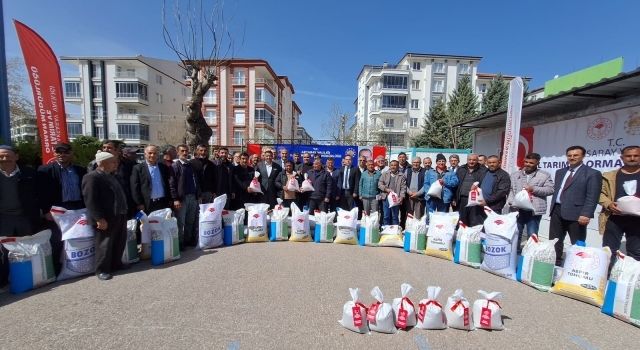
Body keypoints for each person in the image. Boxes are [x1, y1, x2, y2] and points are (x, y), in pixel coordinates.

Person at [37, 142, 87, 275]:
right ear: (54, 153)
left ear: (71, 154)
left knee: (77, 237)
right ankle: (56, 269)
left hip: (78, 208)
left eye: (65, 152)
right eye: (58, 152)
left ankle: (76, 266)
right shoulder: (45, 170)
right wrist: (46, 211)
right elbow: (40, 193)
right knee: (57, 239)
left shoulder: (80, 170)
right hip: (57, 210)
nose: (62, 155)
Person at [549, 145, 602, 266]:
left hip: (577, 213)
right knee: (555, 241)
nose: (572, 158)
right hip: (557, 210)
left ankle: (577, 266)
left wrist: (586, 214)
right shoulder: (560, 172)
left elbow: (592, 196)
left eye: (575, 155)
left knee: (577, 242)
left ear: (583, 156)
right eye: (569, 155)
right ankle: (555, 264)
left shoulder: (592, 173)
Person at [82, 151, 128, 280]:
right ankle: (102, 269)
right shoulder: (92, 177)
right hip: (105, 217)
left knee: (119, 241)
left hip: (119, 213)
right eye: (113, 162)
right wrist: (99, 218)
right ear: (102, 163)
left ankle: (116, 263)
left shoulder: (112, 175)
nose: (116, 164)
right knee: (104, 244)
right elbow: (90, 200)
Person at [0, 145, 40, 288]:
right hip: (3, 218)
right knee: (3, 251)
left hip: (24, 217)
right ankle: (3, 281)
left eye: (7, 155)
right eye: (1, 156)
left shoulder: (29, 173)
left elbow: (38, 194)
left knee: (27, 247)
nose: (4, 159)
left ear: (16, 157)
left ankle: (30, 276)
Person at [599, 145, 640, 269]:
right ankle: (605, 278)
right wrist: (609, 204)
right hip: (614, 218)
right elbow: (600, 194)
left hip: (637, 221)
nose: (632, 158)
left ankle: (631, 281)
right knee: (608, 250)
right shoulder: (609, 175)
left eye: (636, 155)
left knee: (636, 251)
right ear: (622, 158)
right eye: (628, 156)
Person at [507, 153, 554, 253]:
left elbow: (550, 190)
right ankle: (514, 253)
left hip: (533, 210)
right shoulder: (516, 175)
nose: (528, 164)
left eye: (531, 163)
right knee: (516, 232)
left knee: (532, 233)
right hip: (517, 209)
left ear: (537, 163)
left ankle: (530, 254)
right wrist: (511, 202)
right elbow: (511, 190)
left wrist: (533, 189)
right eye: (526, 162)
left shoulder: (544, 175)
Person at [170, 144, 201, 249]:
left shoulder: (190, 165)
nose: (185, 153)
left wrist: (198, 194)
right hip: (182, 199)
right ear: (178, 152)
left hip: (193, 197)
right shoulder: (175, 166)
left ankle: (187, 240)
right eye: (182, 151)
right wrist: (175, 199)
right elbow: (172, 184)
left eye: (186, 151)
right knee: (180, 222)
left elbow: (195, 181)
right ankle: (180, 243)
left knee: (190, 221)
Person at [130, 145, 172, 214]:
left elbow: (168, 184)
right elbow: (135, 188)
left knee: (162, 224)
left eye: (155, 153)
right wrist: (139, 203)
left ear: (158, 155)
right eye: (150, 153)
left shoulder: (163, 167)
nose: (152, 155)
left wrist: (170, 199)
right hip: (147, 204)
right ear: (145, 154)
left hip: (163, 203)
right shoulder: (138, 168)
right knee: (148, 224)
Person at [455, 154, 487, 226]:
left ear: (477, 160)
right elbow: (456, 185)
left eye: (474, 160)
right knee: (462, 220)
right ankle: (462, 236)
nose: (471, 161)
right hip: (462, 199)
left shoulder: (483, 170)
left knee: (475, 220)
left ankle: (474, 236)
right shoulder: (461, 169)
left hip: (475, 200)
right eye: (470, 159)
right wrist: (454, 198)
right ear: (467, 160)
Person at [378, 160, 407, 226]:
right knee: (386, 216)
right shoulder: (385, 174)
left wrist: (401, 197)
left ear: (398, 166)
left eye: (395, 165)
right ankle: (386, 230)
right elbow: (380, 184)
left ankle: (395, 230)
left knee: (395, 216)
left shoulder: (401, 175)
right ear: (389, 166)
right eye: (392, 165)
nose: (393, 166)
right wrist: (386, 189)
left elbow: (403, 188)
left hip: (396, 199)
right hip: (386, 198)